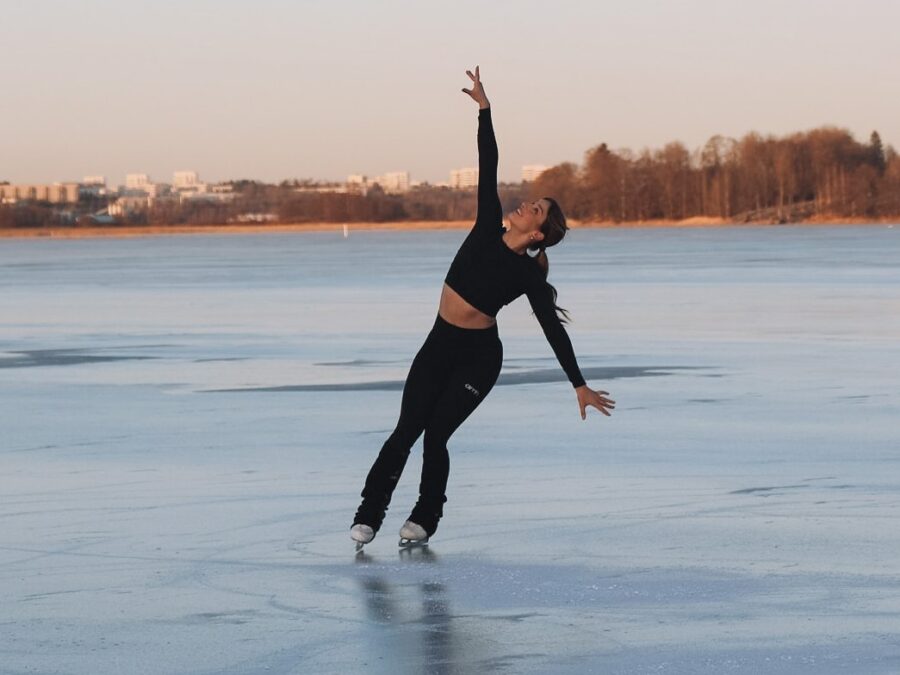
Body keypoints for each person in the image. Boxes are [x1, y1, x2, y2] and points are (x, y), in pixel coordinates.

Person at [350, 66, 615, 548]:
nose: (523, 205)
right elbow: (488, 161)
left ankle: (425, 519)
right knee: (406, 430)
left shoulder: (526, 276)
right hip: (438, 343)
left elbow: (553, 329)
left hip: (478, 358)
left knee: (435, 437)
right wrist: (485, 110)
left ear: (536, 234)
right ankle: (368, 515)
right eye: (530, 201)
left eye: (533, 209)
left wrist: (578, 384)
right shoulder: (487, 224)